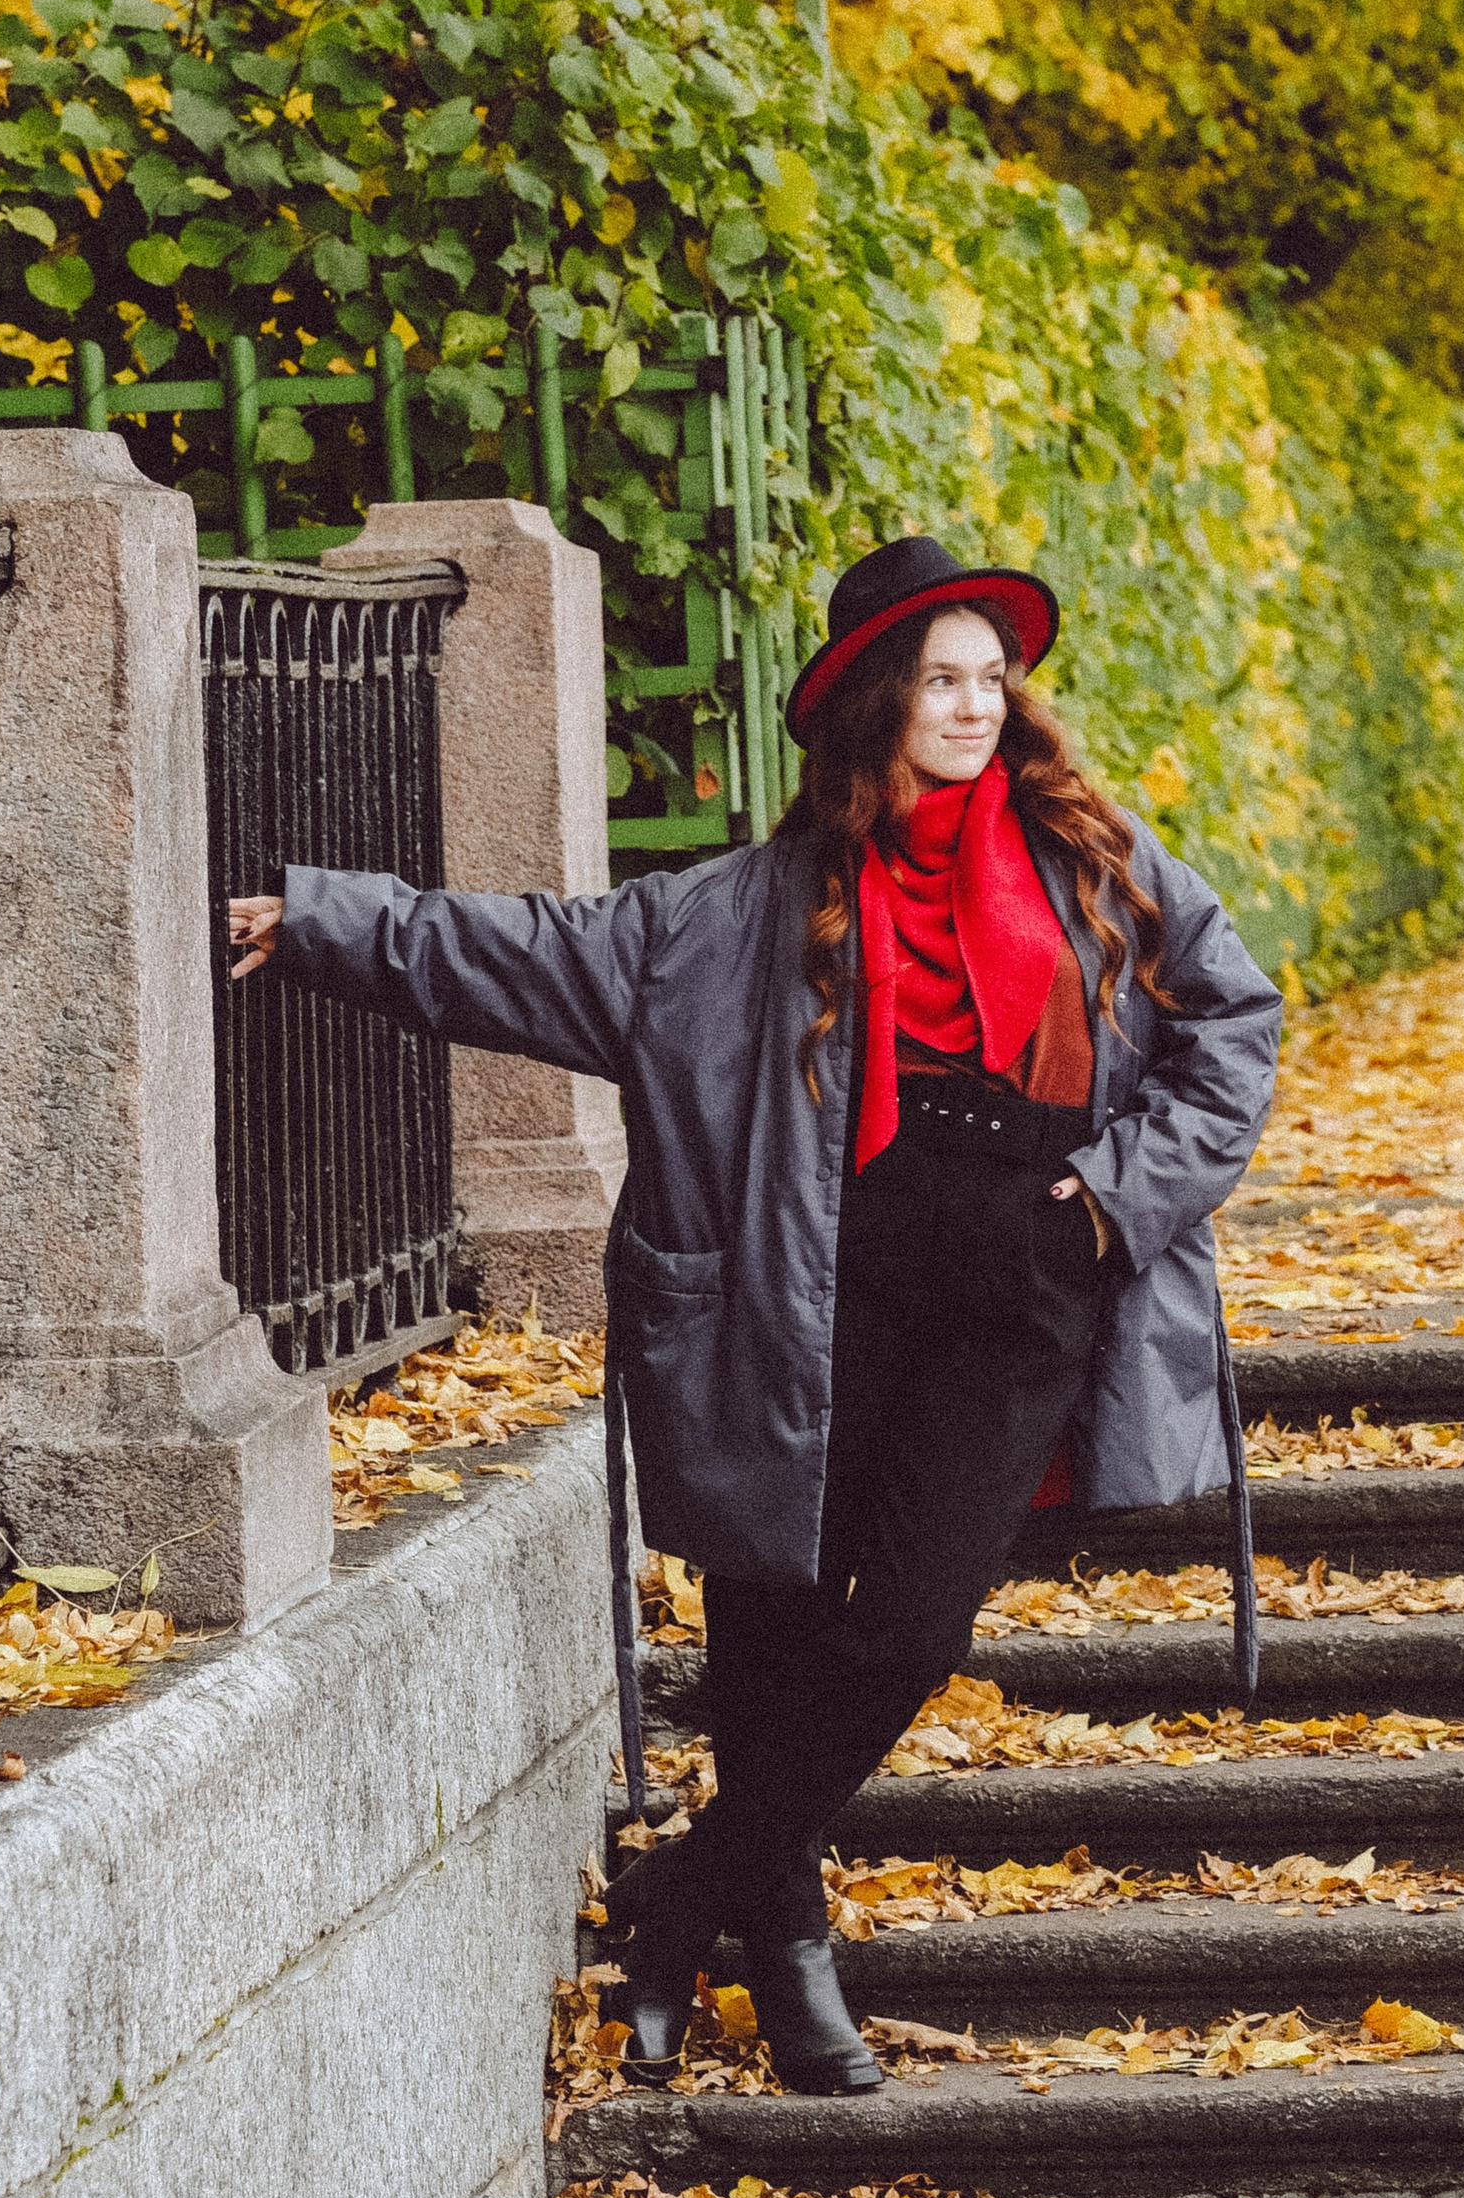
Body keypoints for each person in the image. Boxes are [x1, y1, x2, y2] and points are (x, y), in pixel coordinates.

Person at [226, 533, 1280, 2094]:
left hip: (1025, 1281)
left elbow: (1233, 1031)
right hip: (815, 1280)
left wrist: (1114, 1197)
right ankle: (782, 1951)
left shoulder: (1101, 862)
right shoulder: (741, 910)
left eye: (996, 680)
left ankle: (681, 1896)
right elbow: (527, 950)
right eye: (943, 679)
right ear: (874, 700)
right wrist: (323, 921)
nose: (977, 708)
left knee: (915, 1625)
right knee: (776, 1619)